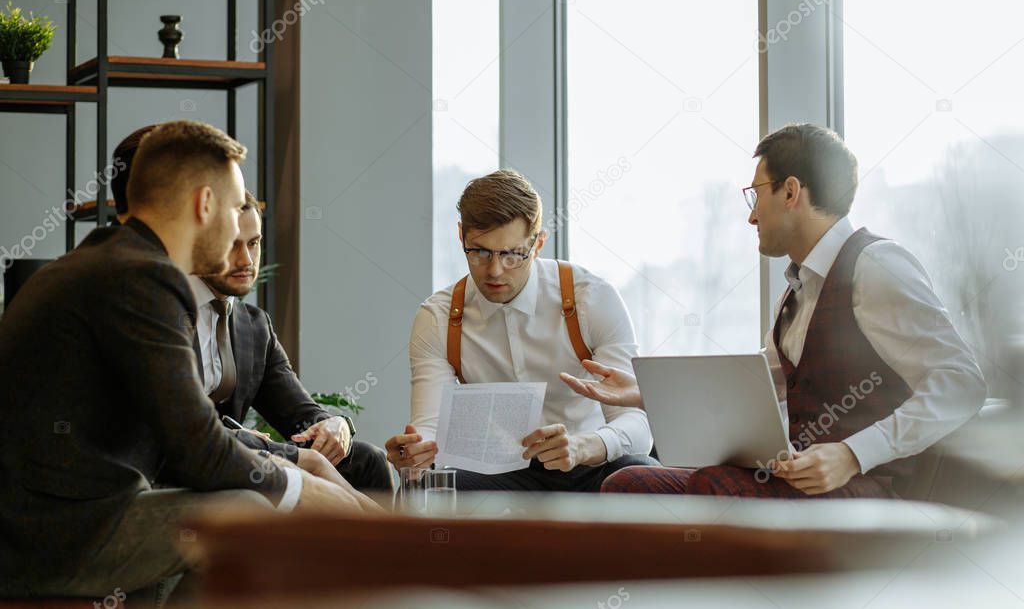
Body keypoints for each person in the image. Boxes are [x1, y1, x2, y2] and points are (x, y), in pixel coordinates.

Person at [0, 121, 372, 602]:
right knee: (248, 513)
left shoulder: (108, 260)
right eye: (238, 206)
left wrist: (298, 474)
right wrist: (301, 488)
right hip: (47, 539)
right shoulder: (142, 278)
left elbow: (179, 436)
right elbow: (197, 446)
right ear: (205, 205)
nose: (243, 223)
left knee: (237, 507)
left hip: (62, 518)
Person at [563, 124, 987, 498]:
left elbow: (961, 383)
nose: (751, 216)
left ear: (790, 192)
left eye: (756, 194)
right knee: (629, 483)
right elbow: (761, 383)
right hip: (803, 481)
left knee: (712, 485)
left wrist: (853, 454)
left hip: (868, 486)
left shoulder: (875, 266)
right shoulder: (797, 289)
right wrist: (645, 390)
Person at [385, 170, 658, 492]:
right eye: (480, 251)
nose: (495, 270)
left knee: (640, 474)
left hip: (590, 462)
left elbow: (639, 425)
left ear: (538, 243)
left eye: (512, 254)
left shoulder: (590, 298)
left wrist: (583, 446)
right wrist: (415, 454)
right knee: (426, 488)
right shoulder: (439, 316)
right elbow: (429, 427)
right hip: (499, 473)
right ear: (461, 236)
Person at [188, 190, 393, 493]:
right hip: (195, 460)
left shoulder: (255, 326)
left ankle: (391, 539)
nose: (246, 260)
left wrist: (334, 425)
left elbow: (300, 415)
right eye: (232, 245)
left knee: (369, 461)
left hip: (249, 458)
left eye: (254, 243)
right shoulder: (169, 312)